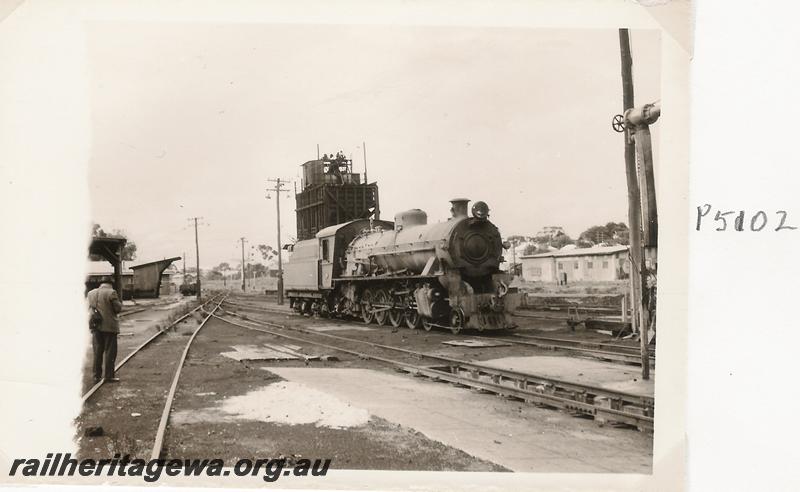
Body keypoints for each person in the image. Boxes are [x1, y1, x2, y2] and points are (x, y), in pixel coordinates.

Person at [87, 279, 123, 383]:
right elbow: (118, 309)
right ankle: (109, 376)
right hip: (109, 327)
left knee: (97, 351)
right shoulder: (111, 292)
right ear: (111, 284)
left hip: (96, 326)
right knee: (110, 352)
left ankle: (96, 376)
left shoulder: (91, 293)